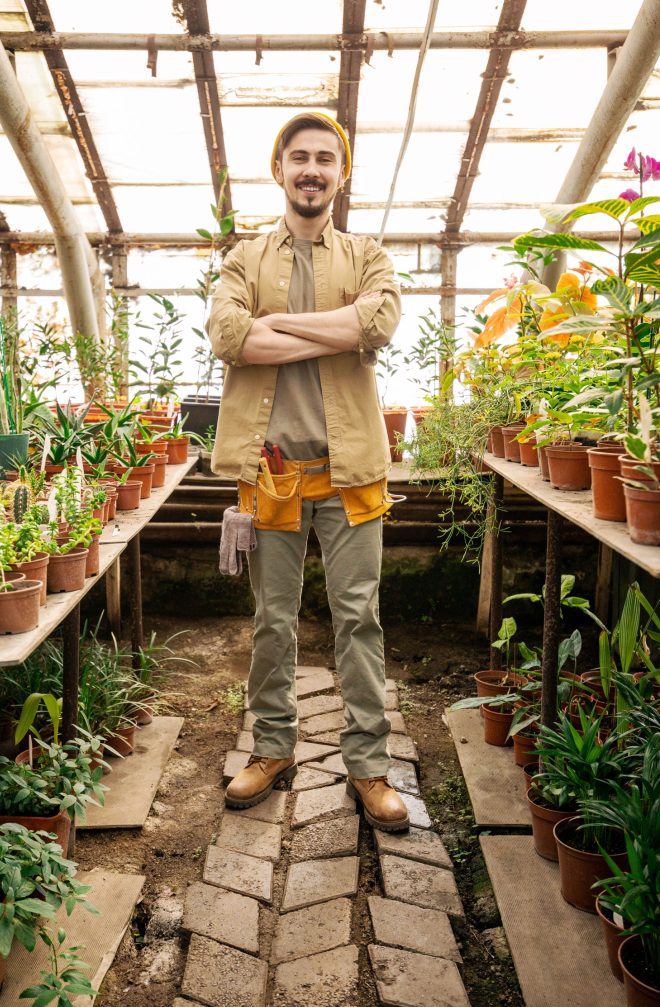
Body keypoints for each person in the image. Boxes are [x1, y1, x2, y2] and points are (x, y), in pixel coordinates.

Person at [207, 112, 409, 831]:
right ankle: (271, 747)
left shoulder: (368, 255)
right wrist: (334, 327)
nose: (312, 169)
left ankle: (369, 767)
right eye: (300, 158)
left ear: (341, 173)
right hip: (272, 476)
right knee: (273, 621)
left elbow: (376, 326)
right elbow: (230, 336)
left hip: (352, 473)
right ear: (280, 169)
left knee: (359, 619)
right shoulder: (244, 259)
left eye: (325, 158)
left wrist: (278, 329)